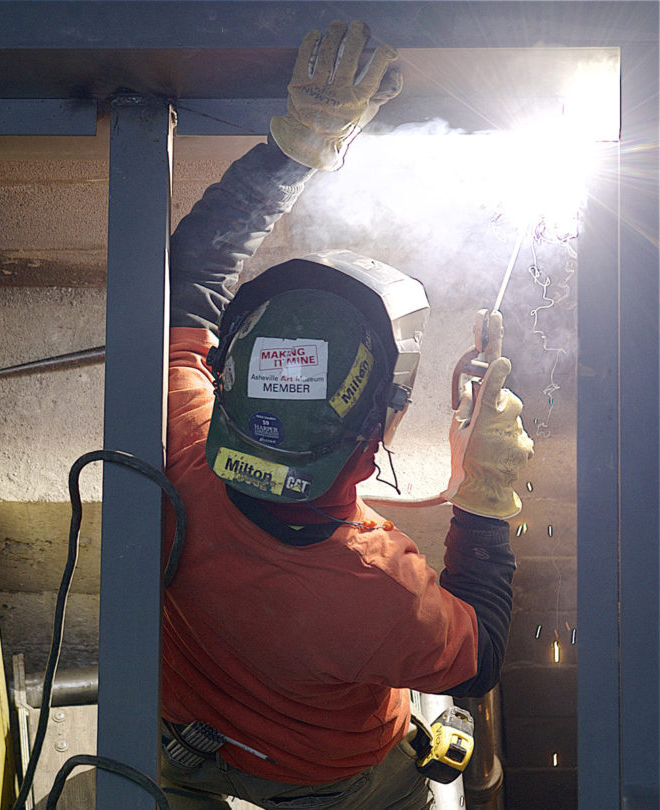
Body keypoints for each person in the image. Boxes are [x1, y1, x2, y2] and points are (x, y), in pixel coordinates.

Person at [160, 20, 534, 810]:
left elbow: (191, 271)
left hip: (183, 736)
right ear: (381, 432)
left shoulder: (182, 443)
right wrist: (487, 496)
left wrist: (300, 145)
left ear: (234, 378)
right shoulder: (379, 591)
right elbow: (484, 652)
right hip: (329, 780)